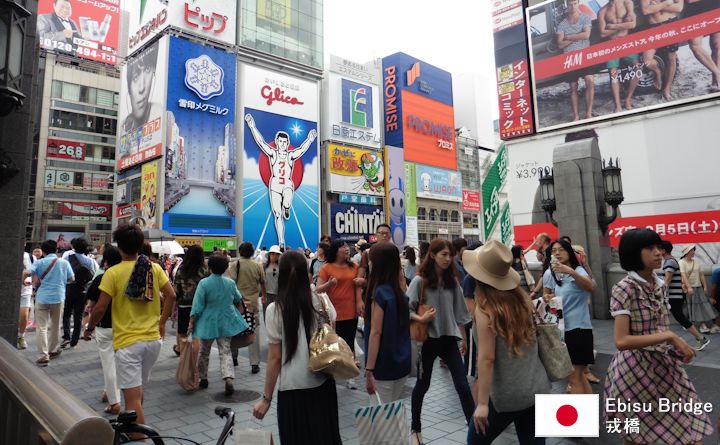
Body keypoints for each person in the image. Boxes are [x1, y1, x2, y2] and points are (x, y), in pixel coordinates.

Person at [604, 228, 713, 445]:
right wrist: (671, 337)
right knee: (636, 435)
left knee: (689, 425)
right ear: (634, 253)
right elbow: (622, 341)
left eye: (658, 247)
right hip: (634, 371)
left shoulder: (659, 284)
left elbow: (658, 328)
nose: (658, 252)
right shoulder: (625, 288)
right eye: (650, 248)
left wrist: (675, 348)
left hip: (665, 367)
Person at [84, 223, 176, 429]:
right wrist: (161, 322)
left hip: (128, 344)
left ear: (119, 247)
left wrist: (89, 328)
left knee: (131, 401)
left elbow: (99, 308)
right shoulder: (154, 268)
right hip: (153, 341)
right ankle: (135, 429)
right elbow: (171, 295)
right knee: (137, 390)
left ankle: (138, 437)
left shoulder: (113, 273)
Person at [464, 241, 550, 444]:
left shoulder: (485, 309)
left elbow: (487, 359)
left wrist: (483, 404)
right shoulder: (522, 300)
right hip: (536, 386)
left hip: (506, 395)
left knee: (475, 441)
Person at [252, 251, 342, 444]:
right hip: (323, 384)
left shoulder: (275, 310)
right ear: (306, 273)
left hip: (292, 390)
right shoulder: (323, 301)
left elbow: (275, 358)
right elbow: (331, 338)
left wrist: (266, 398)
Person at [408, 239, 473, 445]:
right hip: (427, 341)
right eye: (444, 254)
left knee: (462, 385)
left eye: (450, 255)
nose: (448, 258)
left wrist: (462, 337)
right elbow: (406, 310)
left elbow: (461, 313)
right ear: (433, 255)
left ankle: (474, 429)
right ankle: (415, 428)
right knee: (422, 385)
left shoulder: (453, 281)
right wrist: (421, 319)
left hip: (448, 339)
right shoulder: (420, 281)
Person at [244, 113, 318, 248]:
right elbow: (261, 142)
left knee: (288, 202)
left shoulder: (290, 155)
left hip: (287, 184)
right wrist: (251, 125)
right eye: (280, 141)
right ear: (277, 142)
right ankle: (281, 241)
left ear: (287, 143)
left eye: (285, 142)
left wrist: (310, 139)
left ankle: (287, 207)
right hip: (275, 185)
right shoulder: (273, 153)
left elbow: (301, 150)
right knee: (277, 215)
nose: (282, 144)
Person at [188, 254, 249, 396]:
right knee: (225, 350)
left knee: (204, 350)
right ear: (225, 268)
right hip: (226, 320)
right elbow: (238, 299)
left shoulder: (204, 283)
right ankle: (228, 378)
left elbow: (197, 306)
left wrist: (192, 322)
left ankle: (203, 378)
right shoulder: (230, 283)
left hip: (208, 321)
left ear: (209, 267)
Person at [363, 242, 411, 403]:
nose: (369, 263)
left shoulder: (379, 294)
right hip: (401, 362)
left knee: (381, 419)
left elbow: (376, 333)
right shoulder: (400, 294)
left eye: (371, 260)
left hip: (382, 366)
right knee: (391, 414)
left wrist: (369, 369)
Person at [547, 239, 595, 395]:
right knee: (579, 377)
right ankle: (588, 417)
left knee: (574, 378)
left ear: (569, 252)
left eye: (561, 249)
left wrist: (571, 271)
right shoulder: (558, 275)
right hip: (567, 329)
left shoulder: (577, 271)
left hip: (579, 330)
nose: (557, 253)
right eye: (554, 251)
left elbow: (590, 287)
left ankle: (579, 418)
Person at [316, 239, 361, 389]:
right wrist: (329, 284)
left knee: (349, 343)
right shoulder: (326, 268)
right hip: (332, 314)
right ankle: (332, 373)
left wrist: (360, 302)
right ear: (335, 250)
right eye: (343, 247)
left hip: (350, 310)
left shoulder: (354, 266)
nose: (347, 249)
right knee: (333, 344)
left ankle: (350, 375)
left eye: (347, 246)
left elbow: (358, 287)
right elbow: (317, 289)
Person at [85, 246, 122, 414]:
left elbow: (94, 307)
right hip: (125, 327)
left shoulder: (101, 278)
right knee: (119, 364)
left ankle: (115, 403)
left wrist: (89, 327)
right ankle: (108, 391)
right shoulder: (128, 276)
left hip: (105, 327)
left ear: (106, 261)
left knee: (109, 364)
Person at [25, 240, 75, 366]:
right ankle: (53, 350)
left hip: (42, 298)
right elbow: (72, 278)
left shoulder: (40, 262)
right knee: (55, 325)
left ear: (44, 251)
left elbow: (27, 273)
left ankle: (43, 355)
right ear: (56, 249)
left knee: (41, 327)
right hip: (58, 297)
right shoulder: (64, 263)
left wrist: (23, 281)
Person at [660, 240, 711, 350]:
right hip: (673, 296)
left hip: (673, 296)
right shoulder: (671, 261)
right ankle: (663, 340)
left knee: (680, 318)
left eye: (658, 249)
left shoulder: (669, 262)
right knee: (668, 317)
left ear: (663, 250)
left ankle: (701, 338)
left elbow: (667, 280)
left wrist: (660, 292)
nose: (656, 251)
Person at [226, 242, 266, 373]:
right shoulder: (257, 265)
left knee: (234, 329)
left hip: (237, 304)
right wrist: (263, 295)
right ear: (252, 252)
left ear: (240, 251)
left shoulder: (234, 265)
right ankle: (254, 363)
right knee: (254, 330)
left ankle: (234, 357)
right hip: (253, 304)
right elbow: (263, 283)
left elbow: (230, 284)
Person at [598, 0, 641, 112]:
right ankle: (617, 105)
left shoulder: (627, 3)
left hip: (625, 41)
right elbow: (602, 33)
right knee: (613, 75)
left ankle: (627, 99)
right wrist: (622, 25)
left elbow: (632, 24)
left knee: (638, 69)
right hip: (611, 44)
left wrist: (612, 26)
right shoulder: (603, 11)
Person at [556, 0, 595, 121]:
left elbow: (586, 35)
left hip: (584, 55)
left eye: (575, 4)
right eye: (570, 4)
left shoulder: (585, 17)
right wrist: (578, 35)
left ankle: (588, 114)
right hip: (570, 58)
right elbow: (560, 45)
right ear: (566, 6)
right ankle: (576, 116)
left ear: (578, 4)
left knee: (590, 80)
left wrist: (568, 37)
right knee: (573, 87)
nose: (573, 7)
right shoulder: (562, 24)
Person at [640, 0, 684, 100]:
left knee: (671, 58)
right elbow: (646, 10)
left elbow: (679, 8)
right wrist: (667, 3)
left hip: (670, 24)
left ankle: (667, 89)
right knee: (646, 60)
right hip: (653, 28)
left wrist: (656, 7)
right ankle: (658, 73)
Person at [121, 42, 160, 148]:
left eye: (147, 70)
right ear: (128, 87)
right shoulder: (123, 127)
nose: (142, 88)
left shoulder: (161, 115)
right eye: (136, 76)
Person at [172, 245, 209, 356]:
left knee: (182, 333)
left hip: (184, 305)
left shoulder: (181, 269)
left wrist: (173, 309)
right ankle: (195, 358)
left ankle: (183, 357)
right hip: (200, 306)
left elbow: (176, 291)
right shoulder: (205, 270)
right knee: (196, 334)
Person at [62, 238, 97, 349]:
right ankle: (74, 340)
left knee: (66, 313)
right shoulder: (90, 260)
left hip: (69, 287)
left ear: (74, 247)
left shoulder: (67, 257)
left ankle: (66, 336)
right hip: (82, 290)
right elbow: (93, 275)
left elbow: (64, 273)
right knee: (78, 316)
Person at [680, 244, 717, 333]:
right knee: (693, 306)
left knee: (702, 305)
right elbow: (683, 276)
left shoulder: (695, 262)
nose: (693, 252)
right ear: (686, 252)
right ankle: (698, 325)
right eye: (691, 250)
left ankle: (697, 324)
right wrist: (689, 287)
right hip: (690, 288)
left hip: (698, 287)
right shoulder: (681, 262)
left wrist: (704, 286)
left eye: (693, 250)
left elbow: (701, 275)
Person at [686, 0, 720, 91]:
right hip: (694, 11)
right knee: (695, 45)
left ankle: (715, 82)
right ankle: (717, 73)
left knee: (716, 46)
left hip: (715, 6)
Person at [18, 252, 34, 349]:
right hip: (8, 290)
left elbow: (31, 271)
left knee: (24, 315)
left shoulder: (28, 256)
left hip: (25, 291)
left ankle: (21, 337)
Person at [263, 245, 282, 318]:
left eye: (277, 254)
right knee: (267, 315)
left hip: (278, 294)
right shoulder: (264, 266)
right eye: (272, 253)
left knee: (277, 315)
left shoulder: (281, 266)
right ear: (269, 254)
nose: (275, 255)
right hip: (267, 293)